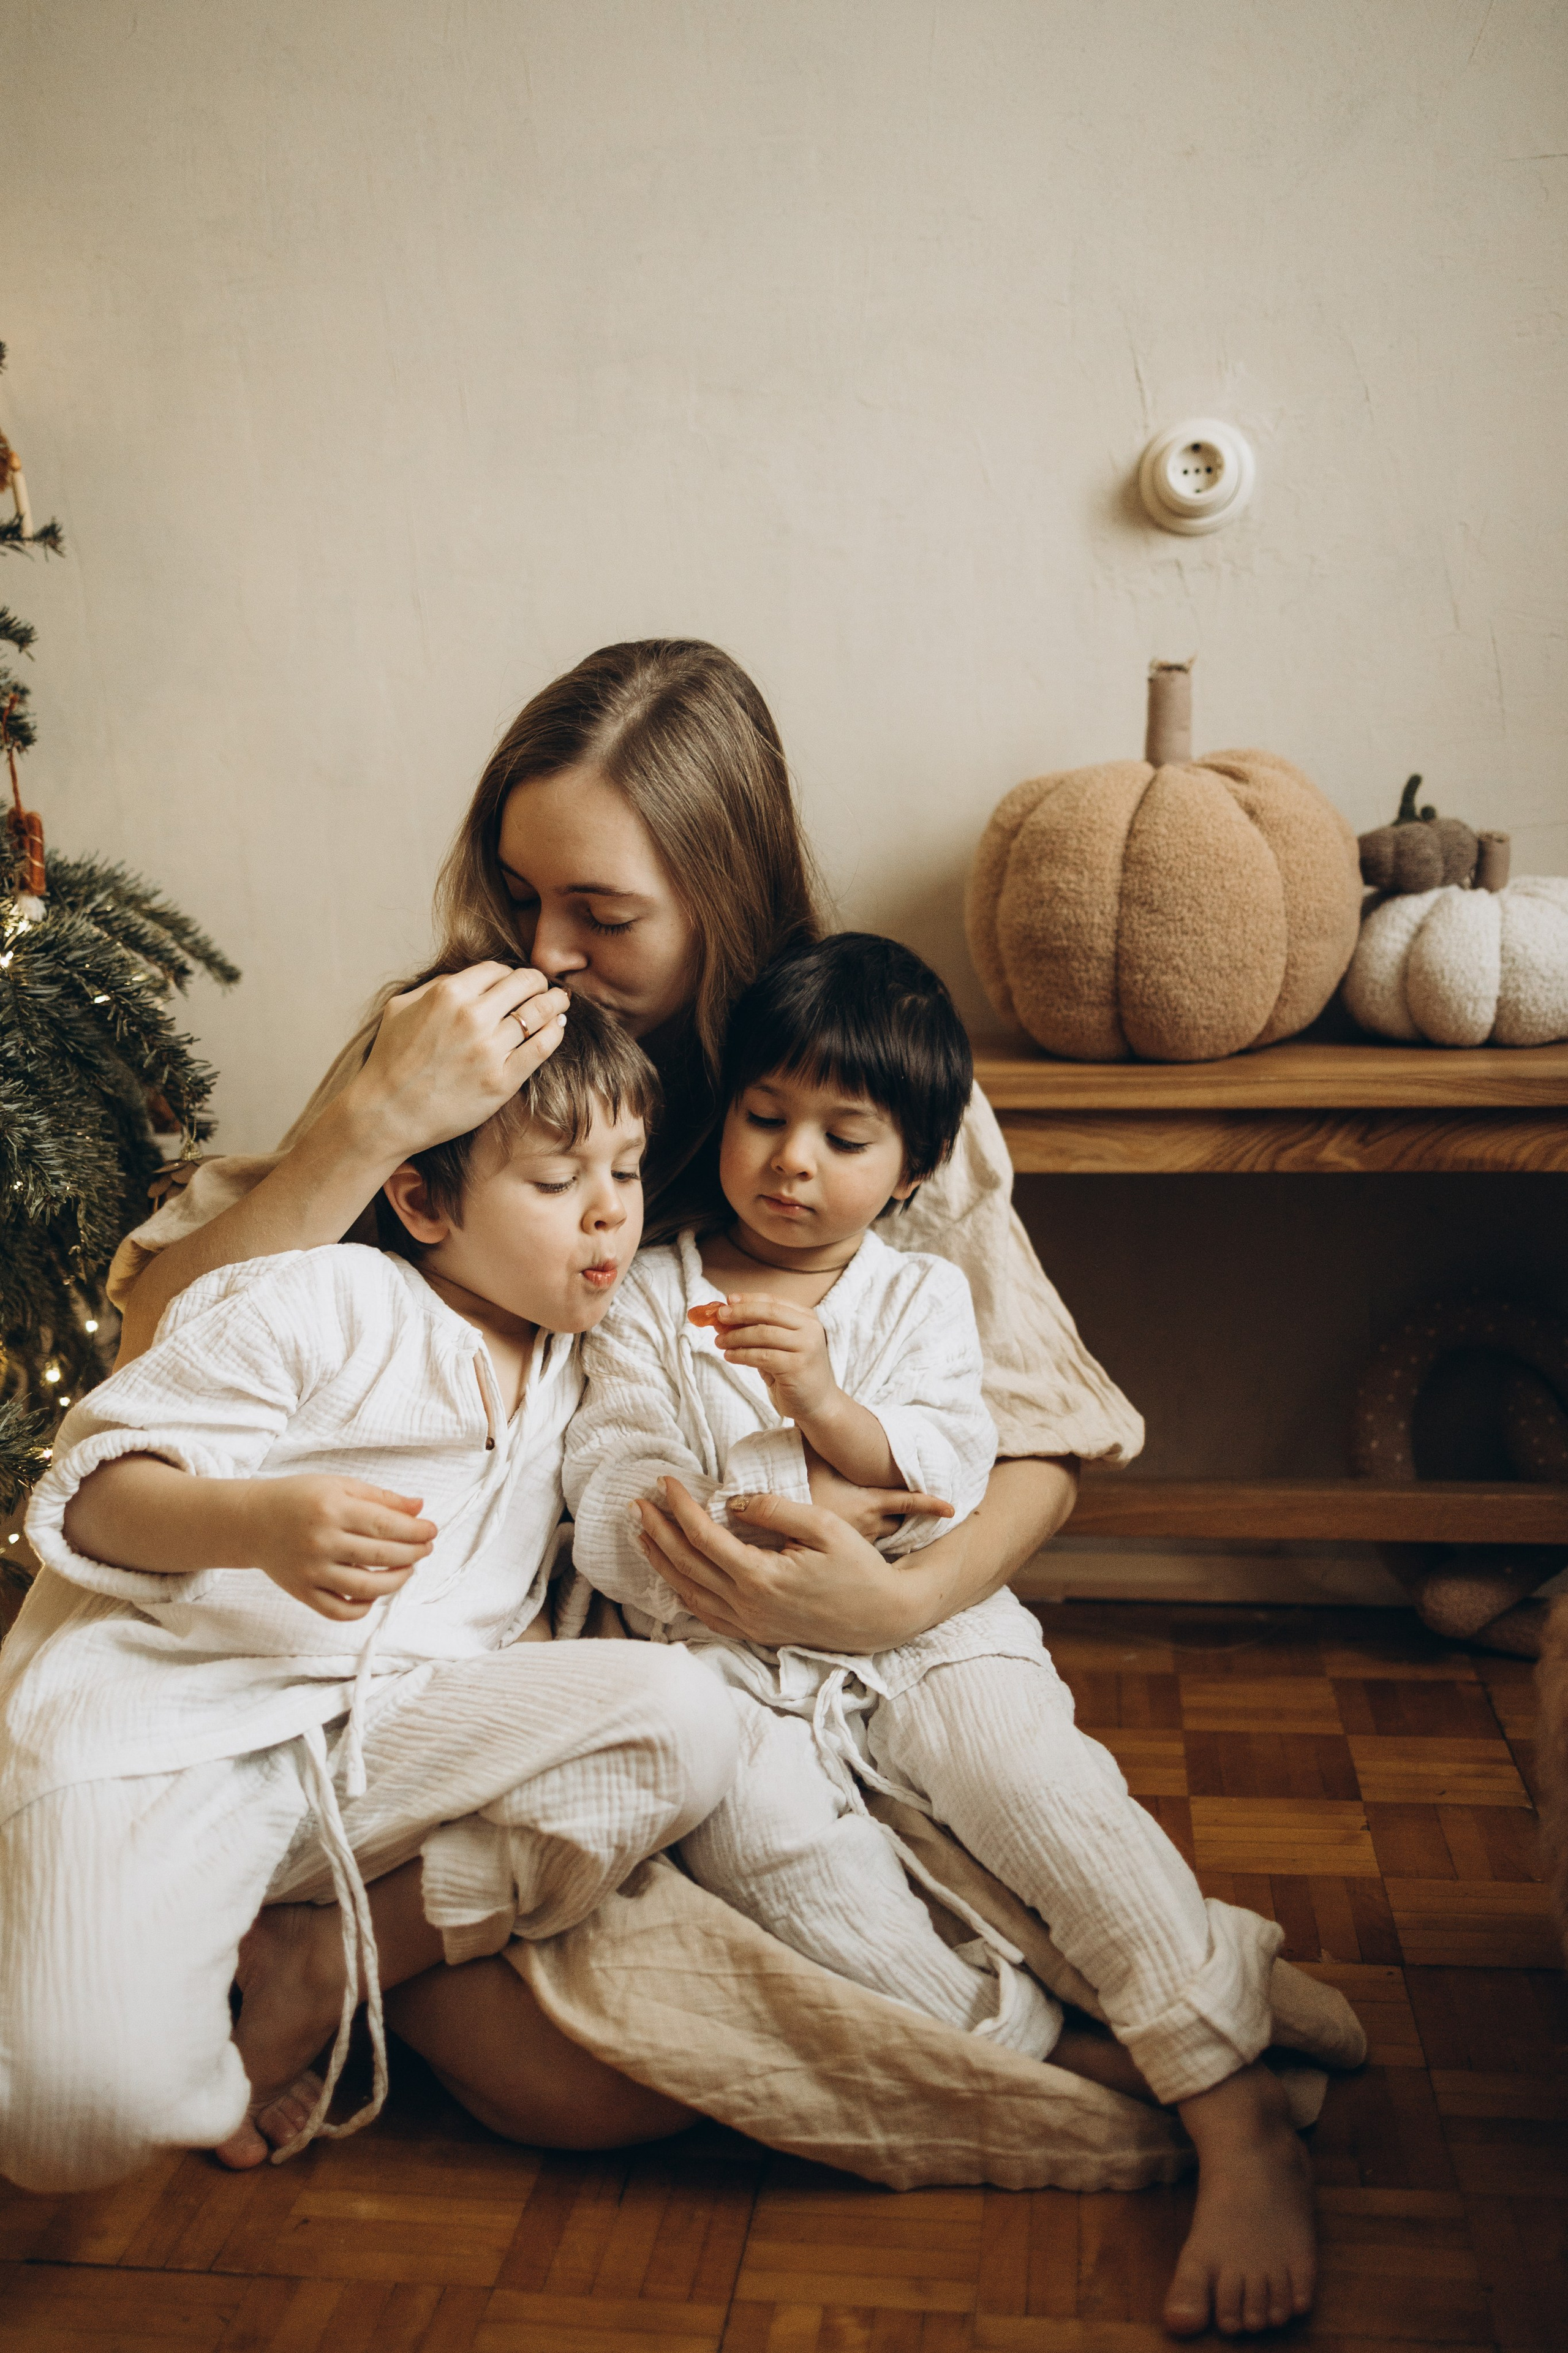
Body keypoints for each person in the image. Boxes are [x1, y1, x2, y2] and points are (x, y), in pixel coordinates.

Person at [107, 640, 1361, 2337]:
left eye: (600, 913)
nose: (546, 949)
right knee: (578, 2083)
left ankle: (1162, 2079)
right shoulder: (464, 1044)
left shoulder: (869, 1075)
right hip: (560, 1645)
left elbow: (1043, 1431)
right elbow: (155, 1340)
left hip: (849, 1620)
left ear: (717, 891)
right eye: (519, 889)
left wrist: (906, 1592)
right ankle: (363, 1955)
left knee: (934, 1838)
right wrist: (361, 1123)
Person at [565, 931, 1316, 2335]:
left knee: (1032, 1780)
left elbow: (949, 1467)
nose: (791, 1161)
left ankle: (1236, 2109)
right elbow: (611, 1481)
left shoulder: (913, 1293)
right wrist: (734, 1521)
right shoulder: (650, 1294)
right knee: (780, 1864)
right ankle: (1055, 2050)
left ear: (907, 1170)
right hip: (720, 1654)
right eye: (764, 1117)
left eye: (842, 1137)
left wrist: (830, 1415)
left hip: (925, 1630)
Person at [0, 999, 740, 2194]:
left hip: (375, 1762)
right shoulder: (327, 1299)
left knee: (687, 1720)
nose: (607, 1208)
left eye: (625, 1168)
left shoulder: (580, 1358)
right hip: (163, 1746)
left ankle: (323, 1960)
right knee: (79, 2126)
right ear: (422, 1202)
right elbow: (89, 1493)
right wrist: (257, 1524)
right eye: (556, 1179)